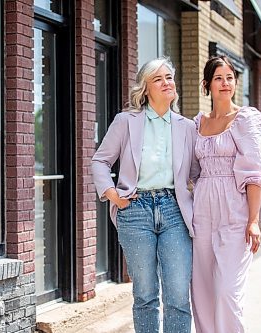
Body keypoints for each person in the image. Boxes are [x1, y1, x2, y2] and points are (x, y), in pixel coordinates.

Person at [91, 57, 199, 333]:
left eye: (169, 77)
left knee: (177, 292)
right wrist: (113, 195)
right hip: (135, 210)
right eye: (158, 78)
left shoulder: (187, 127)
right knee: (146, 293)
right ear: (145, 88)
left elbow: (197, 174)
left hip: (174, 210)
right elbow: (100, 161)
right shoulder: (126, 121)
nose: (167, 82)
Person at [191, 55, 261, 333]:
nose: (225, 83)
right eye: (218, 78)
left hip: (234, 212)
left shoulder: (246, 119)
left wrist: (253, 219)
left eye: (230, 78)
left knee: (227, 293)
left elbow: (254, 173)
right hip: (202, 213)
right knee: (202, 293)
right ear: (207, 85)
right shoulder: (197, 123)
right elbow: (190, 171)